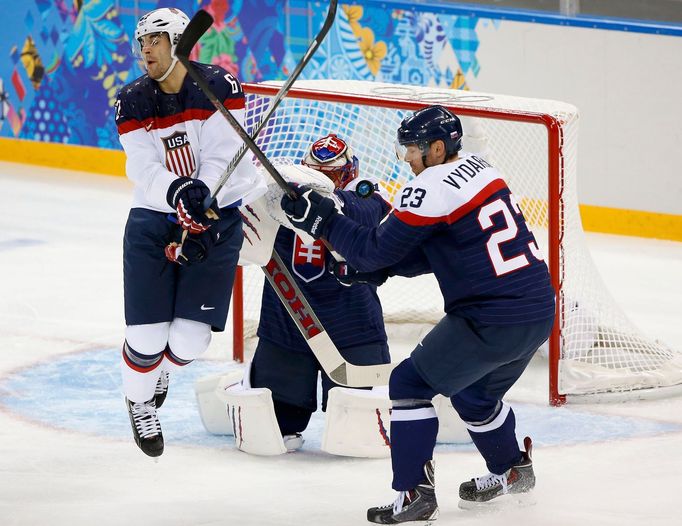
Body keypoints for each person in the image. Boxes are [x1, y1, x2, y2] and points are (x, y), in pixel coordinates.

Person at [280, 106, 555, 522]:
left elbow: (373, 247)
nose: (406, 157)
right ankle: (512, 468)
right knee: (473, 393)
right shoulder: (483, 170)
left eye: (412, 148)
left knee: (409, 384)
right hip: (536, 311)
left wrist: (325, 221)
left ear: (438, 148)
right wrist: (379, 268)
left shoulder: (432, 184)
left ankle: (413, 495)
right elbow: (445, 247)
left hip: (490, 318)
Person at [114, 7, 265, 458]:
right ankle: (140, 402)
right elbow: (141, 166)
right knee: (145, 337)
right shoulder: (133, 99)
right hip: (154, 218)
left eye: (154, 41)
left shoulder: (220, 87)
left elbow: (223, 153)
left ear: (179, 42)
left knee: (188, 342)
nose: (145, 51)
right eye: (141, 43)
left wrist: (205, 194)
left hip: (216, 219)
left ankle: (160, 369)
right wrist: (178, 190)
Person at [247, 133, 392, 450]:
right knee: (274, 429)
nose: (327, 181)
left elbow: (372, 215)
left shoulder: (366, 197)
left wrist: (328, 204)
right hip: (287, 320)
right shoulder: (278, 196)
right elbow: (245, 236)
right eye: (320, 175)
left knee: (364, 434)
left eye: (334, 176)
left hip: (351, 326)